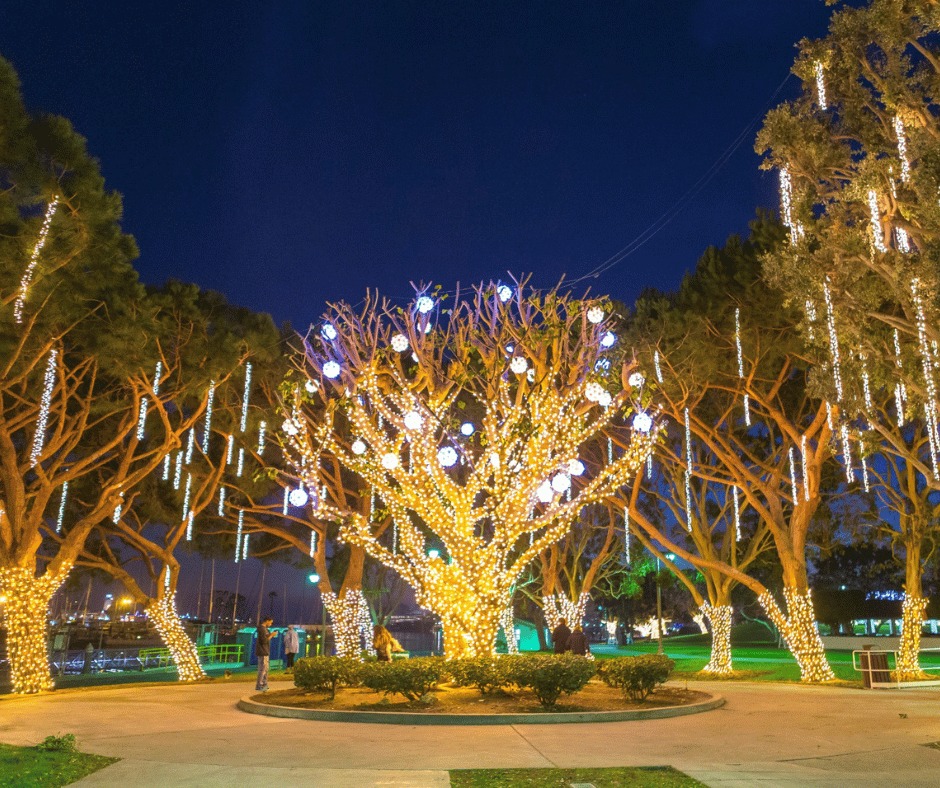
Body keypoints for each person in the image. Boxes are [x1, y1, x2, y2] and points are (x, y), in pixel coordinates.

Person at [255, 617, 273, 691]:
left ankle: (264, 684)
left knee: (265, 669)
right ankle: (260, 685)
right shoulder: (262, 629)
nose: (271, 624)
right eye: (270, 622)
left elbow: (265, 638)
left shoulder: (265, 629)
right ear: (267, 621)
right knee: (262, 669)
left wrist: (270, 634)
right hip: (263, 651)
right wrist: (271, 635)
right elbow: (264, 641)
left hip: (265, 651)